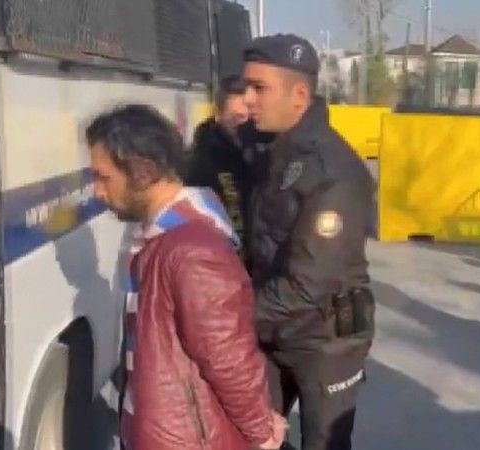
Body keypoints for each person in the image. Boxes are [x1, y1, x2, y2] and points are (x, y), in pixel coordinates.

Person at [86, 104, 286, 450]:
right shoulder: (161, 237)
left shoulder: (192, 250)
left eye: (104, 178)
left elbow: (227, 357)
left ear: (143, 171)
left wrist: (262, 432)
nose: (98, 192)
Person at [242, 34, 376, 450]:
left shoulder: (333, 172)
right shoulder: (269, 150)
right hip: (272, 327)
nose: (247, 100)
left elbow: (308, 284)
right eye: (246, 87)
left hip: (325, 339)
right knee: (252, 434)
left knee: (324, 442)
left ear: (299, 96)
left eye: (259, 88)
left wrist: (230, 314)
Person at [186, 75, 273, 269]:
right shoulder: (199, 165)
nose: (246, 127)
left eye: (250, 118)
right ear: (218, 115)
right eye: (238, 118)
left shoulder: (268, 154)